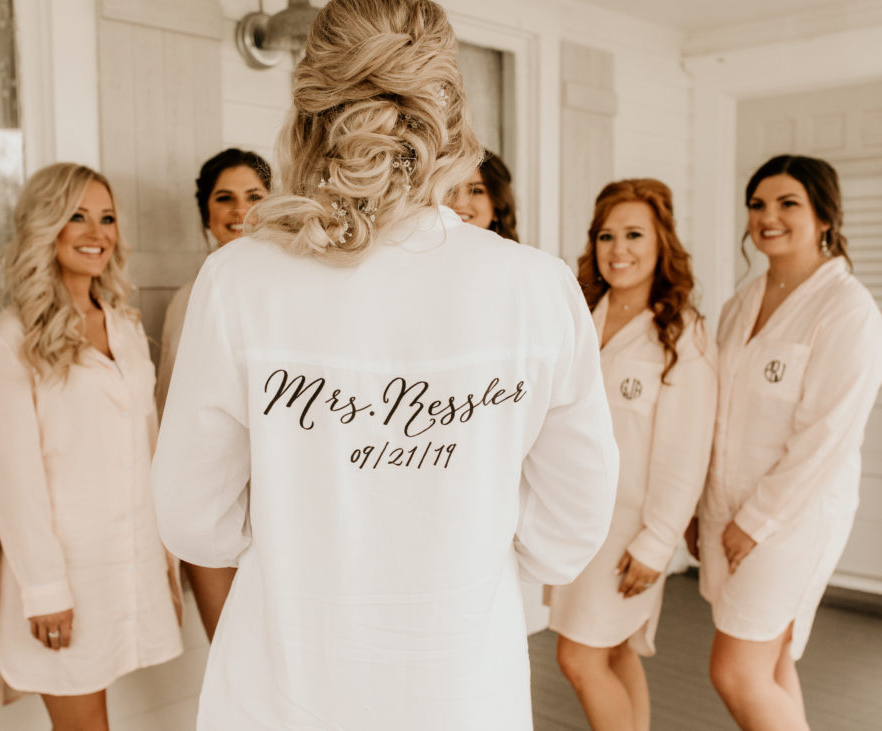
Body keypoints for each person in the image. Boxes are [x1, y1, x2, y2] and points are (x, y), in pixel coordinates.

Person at [151, 1, 619, 729]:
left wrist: (301, 528)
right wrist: (462, 539)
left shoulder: (239, 281)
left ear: (310, 109)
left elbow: (192, 516)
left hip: (286, 684)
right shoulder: (536, 287)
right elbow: (569, 526)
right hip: (462, 684)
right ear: (451, 113)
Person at [0, 163, 183, 730]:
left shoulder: (124, 326)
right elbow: (14, 477)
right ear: (47, 227)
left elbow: (146, 444)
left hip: (129, 558)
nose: (97, 232)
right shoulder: (11, 335)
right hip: (63, 571)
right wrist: (44, 589)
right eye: (77, 216)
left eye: (107, 218)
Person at [694, 154, 882, 731]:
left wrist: (756, 521)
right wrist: (700, 506)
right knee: (770, 662)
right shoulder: (740, 304)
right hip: (725, 507)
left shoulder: (847, 310)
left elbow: (828, 435)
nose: (767, 217)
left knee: (736, 670)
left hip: (790, 518)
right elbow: (716, 412)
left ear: (825, 215)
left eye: (787, 203)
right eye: (757, 204)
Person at [546, 179, 717, 731]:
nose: (618, 249)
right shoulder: (579, 315)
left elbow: (686, 452)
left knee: (578, 656)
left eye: (634, 235)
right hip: (573, 518)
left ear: (661, 242)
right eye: (606, 236)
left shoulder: (680, 336)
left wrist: (658, 541)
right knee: (615, 650)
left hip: (629, 532)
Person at [154, 148, 271, 641]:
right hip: (211, 503)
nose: (238, 210)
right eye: (224, 198)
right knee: (227, 651)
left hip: (275, 507)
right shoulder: (188, 299)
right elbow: (168, 410)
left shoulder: (288, 294)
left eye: (253, 196)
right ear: (206, 212)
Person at [447, 148, 518, 241]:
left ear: (497, 207)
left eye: (476, 191)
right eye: (449, 190)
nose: (459, 203)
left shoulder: (520, 255)